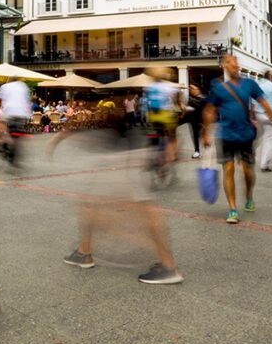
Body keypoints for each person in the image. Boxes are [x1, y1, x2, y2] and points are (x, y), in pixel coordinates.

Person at [51, 107, 182, 284]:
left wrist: (60, 137)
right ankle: (83, 252)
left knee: (142, 208)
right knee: (91, 202)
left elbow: (165, 114)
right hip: (125, 144)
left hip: (120, 149)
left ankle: (168, 266)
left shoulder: (146, 94)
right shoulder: (141, 94)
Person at [203, 54, 272, 224]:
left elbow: (264, 103)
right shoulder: (220, 88)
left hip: (246, 134)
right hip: (226, 135)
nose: (235, 66)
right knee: (229, 169)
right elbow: (209, 110)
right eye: (230, 64)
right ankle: (232, 209)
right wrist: (206, 133)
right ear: (224, 66)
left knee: (248, 171)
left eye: (236, 64)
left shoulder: (249, 84)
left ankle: (249, 195)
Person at [144, 67, 181, 168]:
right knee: (172, 137)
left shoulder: (149, 87)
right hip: (165, 115)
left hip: (152, 116)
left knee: (156, 134)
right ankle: (171, 156)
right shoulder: (169, 86)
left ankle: (154, 155)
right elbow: (175, 101)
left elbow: (147, 102)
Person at [0, 77, 31, 167]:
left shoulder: (5, 86)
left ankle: (1, 144)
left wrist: (2, 103)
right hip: (22, 114)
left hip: (9, 113)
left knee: (0, 127)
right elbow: (26, 100)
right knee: (17, 135)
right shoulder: (23, 86)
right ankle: (12, 154)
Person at [184, 84, 207, 159]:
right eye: (191, 89)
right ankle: (197, 151)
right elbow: (188, 108)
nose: (192, 90)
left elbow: (206, 111)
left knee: (203, 135)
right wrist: (186, 109)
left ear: (198, 89)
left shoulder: (204, 99)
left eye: (193, 89)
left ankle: (205, 149)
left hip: (202, 121)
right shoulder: (190, 99)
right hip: (193, 121)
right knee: (195, 136)